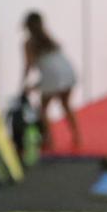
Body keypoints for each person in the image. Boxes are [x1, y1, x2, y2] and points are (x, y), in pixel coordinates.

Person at [21, 11, 81, 150]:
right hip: (68, 73)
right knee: (66, 104)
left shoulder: (29, 43)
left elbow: (29, 65)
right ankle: (77, 135)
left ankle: (50, 140)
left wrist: (24, 84)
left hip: (53, 78)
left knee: (43, 110)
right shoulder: (49, 39)